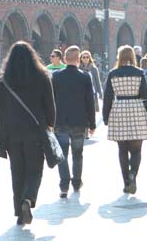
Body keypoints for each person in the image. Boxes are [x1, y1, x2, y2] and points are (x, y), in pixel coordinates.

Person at [0, 41, 56, 226]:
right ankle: (28, 199)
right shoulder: (42, 77)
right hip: (35, 133)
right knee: (35, 170)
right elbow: (50, 106)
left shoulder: (3, 82)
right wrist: (50, 125)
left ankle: (19, 212)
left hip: (10, 135)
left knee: (17, 172)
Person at [103, 45, 147, 194]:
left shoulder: (113, 73)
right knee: (136, 149)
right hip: (136, 110)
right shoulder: (139, 73)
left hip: (119, 109)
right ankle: (133, 173)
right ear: (132, 57)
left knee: (122, 150)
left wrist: (106, 117)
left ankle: (126, 182)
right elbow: (144, 95)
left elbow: (107, 97)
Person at [52, 46, 96, 198]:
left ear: (64, 59)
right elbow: (90, 101)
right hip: (79, 122)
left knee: (62, 154)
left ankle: (64, 185)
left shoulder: (56, 77)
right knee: (78, 154)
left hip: (61, 122)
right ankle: (76, 183)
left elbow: (51, 101)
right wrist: (92, 124)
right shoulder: (84, 77)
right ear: (78, 60)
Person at [79, 50, 102, 114]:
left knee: (92, 111)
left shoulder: (94, 69)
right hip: (82, 93)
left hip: (93, 92)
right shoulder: (78, 69)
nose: (86, 59)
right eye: (84, 57)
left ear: (90, 58)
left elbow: (97, 81)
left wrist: (100, 93)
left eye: (87, 57)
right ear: (81, 58)